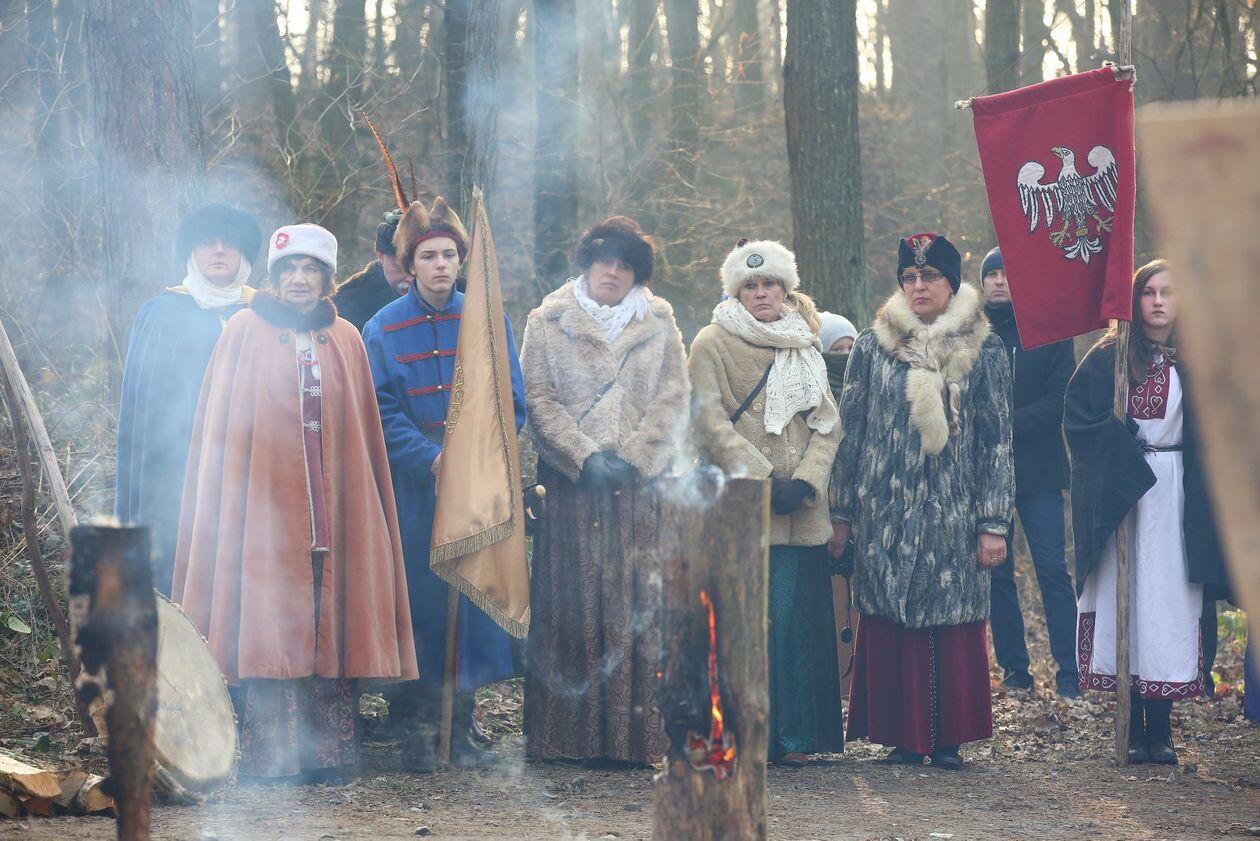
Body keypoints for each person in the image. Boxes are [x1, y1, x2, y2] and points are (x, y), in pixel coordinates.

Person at [172, 223, 418, 784]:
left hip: (334, 513)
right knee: (268, 617)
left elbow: (362, 439)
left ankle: (327, 755)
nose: (299, 280)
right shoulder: (243, 331)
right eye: (289, 270)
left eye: (311, 270)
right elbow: (222, 431)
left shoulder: (346, 339)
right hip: (262, 515)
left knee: (329, 613)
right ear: (274, 276)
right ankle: (271, 758)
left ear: (327, 279)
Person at [833, 233, 1014, 771]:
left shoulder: (985, 348)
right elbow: (851, 433)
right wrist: (841, 513)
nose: (919, 286)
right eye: (909, 277)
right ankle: (901, 737)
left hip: (955, 511)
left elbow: (997, 440)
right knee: (890, 614)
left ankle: (948, 738)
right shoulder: (872, 346)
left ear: (951, 283)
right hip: (884, 511)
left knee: (950, 618)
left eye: (930, 276)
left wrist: (993, 522)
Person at [362, 197, 527, 772]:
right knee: (420, 600)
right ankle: (420, 723)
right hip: (414, 488)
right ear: (409, 265)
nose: (440, 265)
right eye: (428, 256)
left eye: (449, 255)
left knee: (472, 599)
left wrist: (473, 463)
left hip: (476, 484)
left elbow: (511, 401)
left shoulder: (488, 320)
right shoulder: (383, 327)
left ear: (462, 261)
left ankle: (463, 722)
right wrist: (429, 460)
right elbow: (379, 409)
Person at [520, 216, 688, 766]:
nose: (611, 273)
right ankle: (566, 738)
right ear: (587, 266)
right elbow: (538, 399)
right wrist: (584, 457)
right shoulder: (547, 321)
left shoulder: (660, 324)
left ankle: (633, 739)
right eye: (603, 263)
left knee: (635, 607)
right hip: (572, 489)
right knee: (571, 605)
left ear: (636, 273)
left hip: (639, 490)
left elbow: (673, 399)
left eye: (623, 265)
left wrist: (636, 459)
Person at [1067, 259, 1228, 765]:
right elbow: (1078, 419)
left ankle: (1161, 730)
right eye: (1148, 292)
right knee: (1127, 602)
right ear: (1134, 300)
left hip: (1177, 498)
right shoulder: (1109, 357)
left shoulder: (1198, 359)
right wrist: (1119, 440)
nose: (1158, 301)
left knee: (1166, 605)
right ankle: (1132, 726)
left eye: (1168, 292)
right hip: (1123, 495)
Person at [689, 238, 842, 767]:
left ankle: (796, 737)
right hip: (742, 506)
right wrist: (764, 479)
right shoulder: (711, 342)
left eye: (770, 283)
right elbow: (707, 422)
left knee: (796, 627)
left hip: (802, 508)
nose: (761, 293)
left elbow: (828, 424)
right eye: (750, 285)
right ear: (737, 291)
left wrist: (807, 480)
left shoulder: (805, 342)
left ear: (785, 288)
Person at [115, 204, 261, 596]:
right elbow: (142, 412)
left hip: (251, 468)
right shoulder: (161, 314)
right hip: (175, 471)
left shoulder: (265, 315)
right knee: (176, 567)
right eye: (208, 242)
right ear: (192, 252)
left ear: (244, 254)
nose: (219, 251)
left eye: (230, 243)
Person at [979, 247, 1081, 698]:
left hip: (1040, 471)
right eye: (992, 274)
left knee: (1052, 570)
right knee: (997, 573)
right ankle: (1015, 670)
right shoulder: (970, 334)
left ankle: (1070, 672)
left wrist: (1004, 424)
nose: (999, 281)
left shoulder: (1049, 331)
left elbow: (1061, 399)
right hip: (987, 475)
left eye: (1007, 273)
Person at [333, 210, 411, 332]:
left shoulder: (442, 297)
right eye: (399, 267)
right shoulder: (344, 304)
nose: (410, 277)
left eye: (416, 267)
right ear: (380, 256)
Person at [818, 311, 858, 404]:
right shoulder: (811, 397)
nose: (847, 354)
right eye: (838, 349)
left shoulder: (868, 388)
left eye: (851, 348)